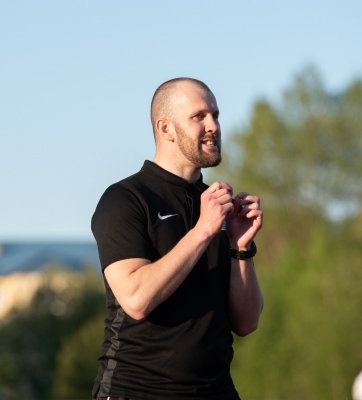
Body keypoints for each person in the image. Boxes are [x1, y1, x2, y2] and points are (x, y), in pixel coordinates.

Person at [90, 77, 264, 399]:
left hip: (216, 392)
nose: (213, 125)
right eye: (199, 116)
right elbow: (136, 299)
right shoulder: (125, 199)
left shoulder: (216, 206)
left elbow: (247, 322)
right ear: (165, 128)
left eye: (215, 115)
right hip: (137, 390)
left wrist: (241, 248)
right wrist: (203, 230)